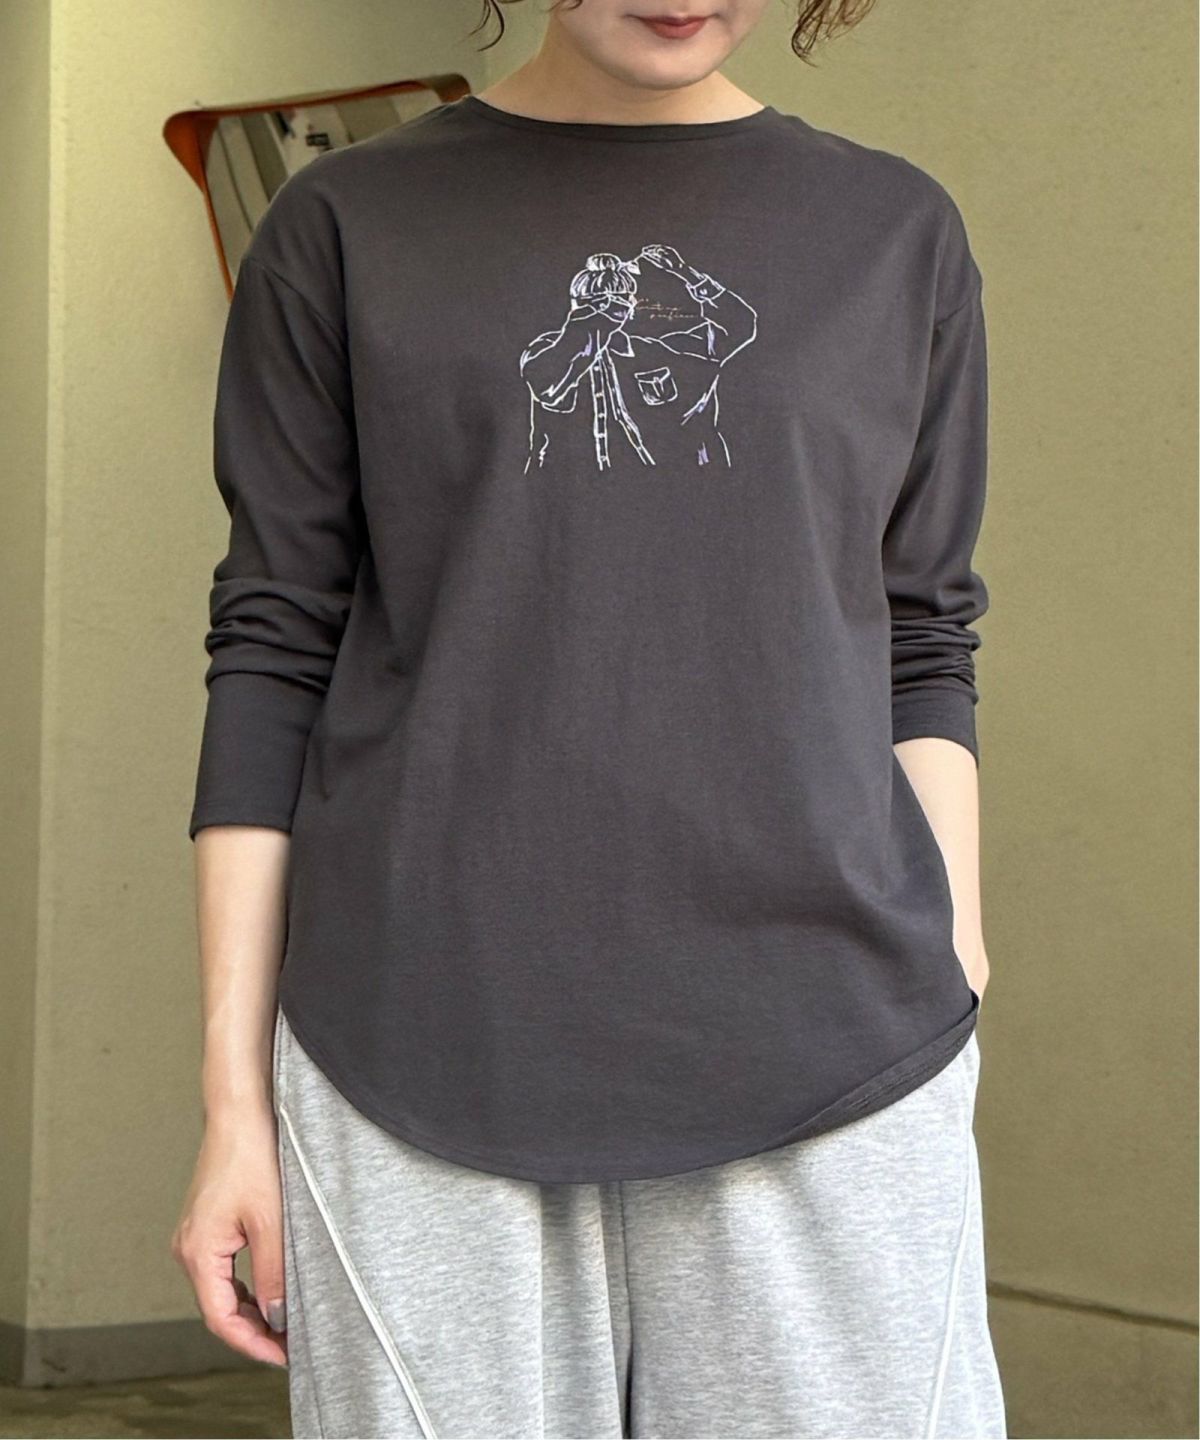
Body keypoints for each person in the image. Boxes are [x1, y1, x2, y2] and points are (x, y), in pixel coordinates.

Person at [171, 1, 1009, 1436]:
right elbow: (273, 645)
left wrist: (959, 962)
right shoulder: (346, 226)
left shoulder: (892, 231)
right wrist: (234, 1098)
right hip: (418, 1039)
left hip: (837, 1039)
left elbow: (921, 631)